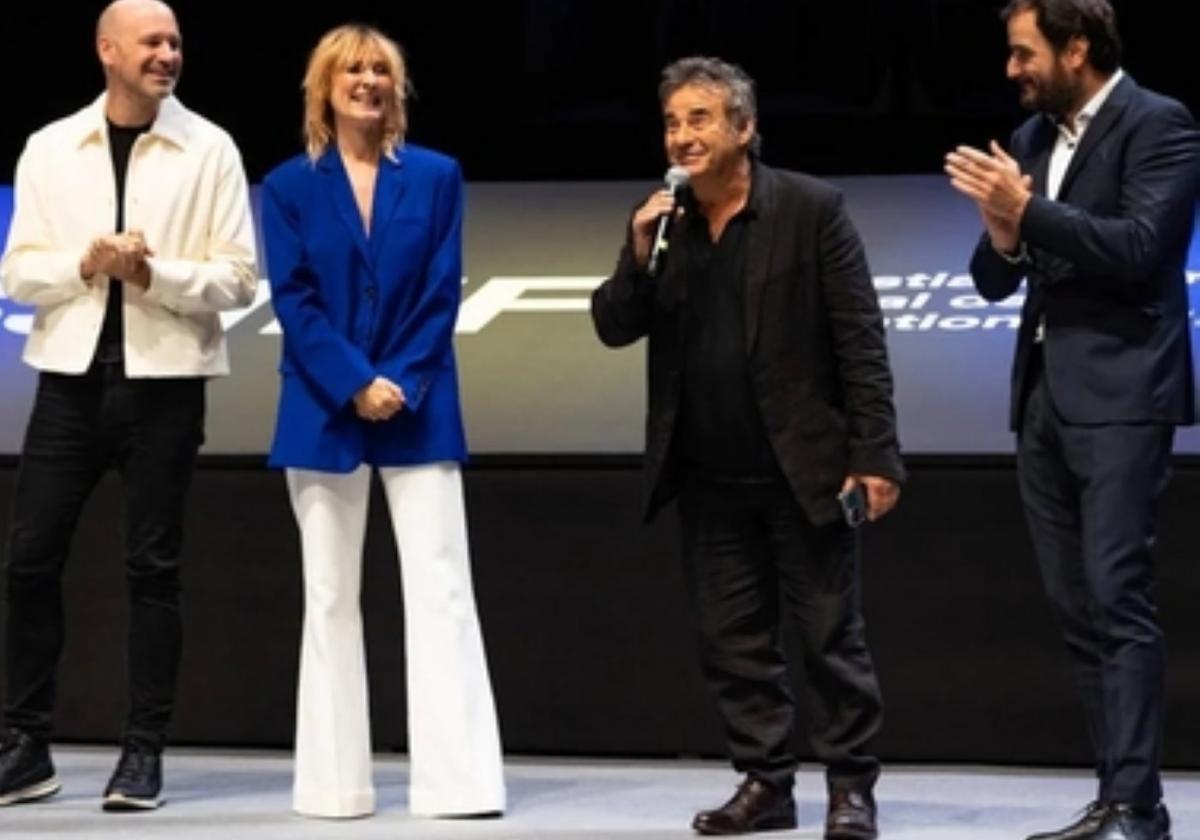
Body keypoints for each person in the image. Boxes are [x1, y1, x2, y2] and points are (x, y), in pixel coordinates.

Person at [592, 56, 903, 840]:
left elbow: (860, 339)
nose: (683, 135)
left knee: (831, 636)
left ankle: (849, 788)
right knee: (734, 641)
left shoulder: (810, 209)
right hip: (706, 473)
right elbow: (613, 324)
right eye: (672, 122)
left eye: (699, 119)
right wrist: (634, 252)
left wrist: (874, 454)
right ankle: (765, 782)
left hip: (805, 469)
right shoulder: (662, 220)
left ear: (744, 127)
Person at [945, 2, 1199, 839]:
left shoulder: (1158, 123)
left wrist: (1029, 213)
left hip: (1125, 396)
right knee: (1078, 605)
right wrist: (1003, 231)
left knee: (1119, 598)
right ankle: (1111, 796)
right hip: (1044, 401)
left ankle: (1140, 807)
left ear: (1076, 47)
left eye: (1024, 54)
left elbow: (1139, 249)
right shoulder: (1027, 145)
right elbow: (992, 278)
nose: (1013, 70)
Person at [0, 0, 257, 813]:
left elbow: (240, 279)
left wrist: (154, 276)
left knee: (153, 571)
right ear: (106, 50)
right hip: (68, 385)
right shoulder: (51, 146)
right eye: (152, 42)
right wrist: (88, 263)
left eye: (176, 41)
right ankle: (25, 746)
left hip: (166, 387)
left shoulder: (209, 146)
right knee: (28, 564)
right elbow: (16, 273)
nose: (168, 54)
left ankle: (142, 752)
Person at [260, 24, 505, 820]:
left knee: (441, 587)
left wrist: (394, 380)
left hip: (418, 402)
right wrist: (353, 382)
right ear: (323, 88)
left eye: (380, 69)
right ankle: (335, 787)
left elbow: (443, 286)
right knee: (328, 595)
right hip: (323, 409)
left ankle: (458, 784)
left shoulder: (437, 176)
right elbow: (293, 299)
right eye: (351, 69)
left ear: (396, 86)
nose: (367, 80)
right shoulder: (288, 186)